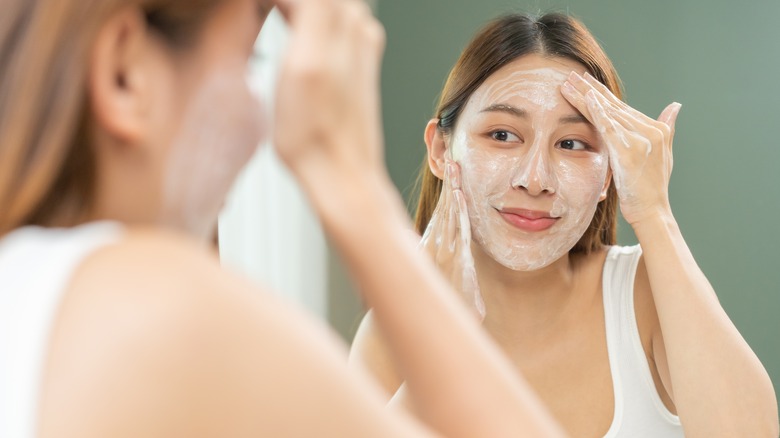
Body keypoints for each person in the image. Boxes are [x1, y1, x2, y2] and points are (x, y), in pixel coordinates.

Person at [0, 0, 569, 437]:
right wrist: (350, 179)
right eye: (248, 61)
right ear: (126, 73)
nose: (260, 121)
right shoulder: (152, 308)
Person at [350, 12, 779, 437]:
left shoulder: (643, 296)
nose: (534, 180)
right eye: (502, 135)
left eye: (572, 143)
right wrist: (438, 339)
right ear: (442, 151)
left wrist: (654, 213)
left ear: (609, 174)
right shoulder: (393, 328)